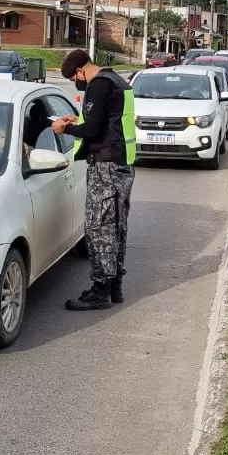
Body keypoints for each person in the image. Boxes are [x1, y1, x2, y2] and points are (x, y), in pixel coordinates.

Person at [52, 49, 137, 311]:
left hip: (105, 166)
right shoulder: (118, 82)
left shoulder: (98, 85)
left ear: (79, 70)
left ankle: (100, 291)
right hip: (123, 164)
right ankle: (114, 287)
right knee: (117, 228)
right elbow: (108, 123)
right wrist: (78, 119)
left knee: (99, 228)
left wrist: (65, 128)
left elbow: (93, 130)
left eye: (74, 77)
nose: (77, 82)